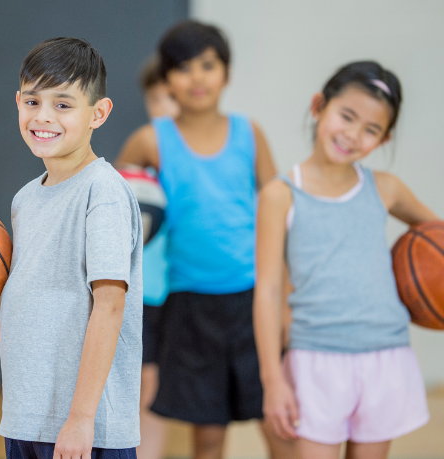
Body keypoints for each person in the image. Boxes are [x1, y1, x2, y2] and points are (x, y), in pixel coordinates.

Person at [0, 37, 143, 459]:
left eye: (63, 104)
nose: (44, 117)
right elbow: (49, 311)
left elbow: (109, 309)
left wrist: (81, 418)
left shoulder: (103, 192)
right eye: (33, 101)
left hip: (87, 429)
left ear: (99, 113)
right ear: (18, 102)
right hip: (26, 418)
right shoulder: (25, 200)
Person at [116, 20, 290, 459]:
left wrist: (285, 299)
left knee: (280, 427)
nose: (196, 78)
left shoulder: (250, 134)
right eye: (184, 68)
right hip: (190, 306)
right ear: (167, 79)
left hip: (252, 301)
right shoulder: (150, 140)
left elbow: (278, 213)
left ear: (226, 74)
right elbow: (112, 199)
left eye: (208, 66)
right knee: (208, 436)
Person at [255, 61, 436, 459]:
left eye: (371, 129)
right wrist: (272, 380)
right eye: (346, 116)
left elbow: (436, 234)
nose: (353, 134)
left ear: (384, 138)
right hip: (316, 358)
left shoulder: (385, 189)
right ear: (319, 105)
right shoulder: (280, 195)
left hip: (385, 356)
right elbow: (267, 292)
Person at [127, 55, 178, 459]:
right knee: (141, 381)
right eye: (159, 99)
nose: (168, 109)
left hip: (173, 287)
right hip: (140, 290)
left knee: (158, 386)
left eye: (174, 99)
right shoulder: (143, 149)